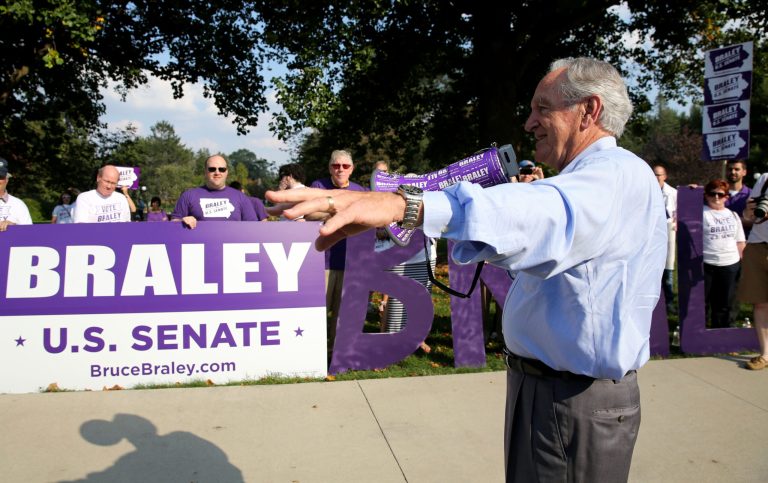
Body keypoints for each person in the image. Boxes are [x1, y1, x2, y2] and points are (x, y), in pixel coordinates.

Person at [267, 57, 666, 481]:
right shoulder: (590, 180)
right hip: (547, 391)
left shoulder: (615, 175)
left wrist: (404, 204)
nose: (529, 124)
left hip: (571, 398)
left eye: (542, 108)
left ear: (589, 110)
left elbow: (542, 215)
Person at [309, 150, 367, 351]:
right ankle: (315, 352)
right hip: (322, 260)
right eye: (336, 165)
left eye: (345, 166)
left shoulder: (362, 191)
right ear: (329, 168)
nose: (340, 169)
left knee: (343, 313)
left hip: (351, 262)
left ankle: (337, 352)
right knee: (319, 310)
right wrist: (341, 211)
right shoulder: (318, 186)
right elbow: (310, 213)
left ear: (352, 169)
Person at [701, 179, 746, 328]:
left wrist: (743, 264)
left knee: (725, 302)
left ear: (726, 197)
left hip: (730, 263)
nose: (716, 198)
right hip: (707, 263)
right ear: (706, 195)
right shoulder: (701, 214)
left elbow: (740, 241)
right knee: (703, 302)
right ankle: (702, 334)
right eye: (712, 194)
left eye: (720, 194)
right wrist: (691, 191)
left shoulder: (733, 215)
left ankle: (722, 333)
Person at [171, 155, 258, 229]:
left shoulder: (241, 197)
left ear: (226, 172)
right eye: (212, 169)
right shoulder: (189, 195)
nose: (217, 172)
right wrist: (182, 221)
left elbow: (253, 228)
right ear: (205, 172)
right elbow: (172, 224)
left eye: (221, 169)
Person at [739, 173, 768, 370]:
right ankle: (765, 354)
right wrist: (750, 213)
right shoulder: (765, 178)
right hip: (758, 245)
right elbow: (748, 217)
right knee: (760, 303)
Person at [653, 163, 677, 314]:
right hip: (652, 232)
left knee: (667, 268)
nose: (655, 178)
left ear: (665, 176)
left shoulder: (673, 193)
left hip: (669, 231)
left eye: (658, 175)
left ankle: (669, 301)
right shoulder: (646, 190)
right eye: (653, 174)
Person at [0, 157, 33, 231]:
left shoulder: (18, 204)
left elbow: (30, 233)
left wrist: (14, 228)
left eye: (0, 177)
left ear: (7, 179)